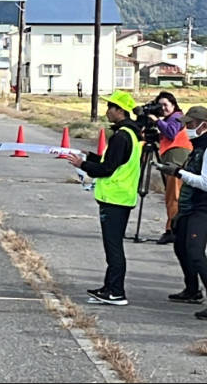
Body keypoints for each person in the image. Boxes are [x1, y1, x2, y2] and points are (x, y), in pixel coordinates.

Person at [66, 90, 141, 306]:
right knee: (112, 246)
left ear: (121, 110)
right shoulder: (130, 134)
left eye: (110, 107)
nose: (107, 111)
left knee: (113, 247)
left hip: (115, 198)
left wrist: (84, 166)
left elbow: (107, 169)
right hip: (120, 197)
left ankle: (116, 291)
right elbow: (114, 161)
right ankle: (110, 287)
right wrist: (90, 157)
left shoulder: (121, 136)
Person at [156, 106, 207, 320]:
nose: (186, 128)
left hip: (202, 208)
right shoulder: (199, 146)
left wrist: (178, 172)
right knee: (181, 247)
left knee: (196, 254)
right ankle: (192, 290)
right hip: (189, 207)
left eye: (189, 125)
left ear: (203, 125)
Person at [148, 92, 192, 245]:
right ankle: (175, 228)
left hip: (176, 162)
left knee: (173, 197)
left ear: (174, 105)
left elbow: (172, 132)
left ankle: (172, 230)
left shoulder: (178, 117)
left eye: (166, 105)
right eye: (160, 105)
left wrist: (156, 121)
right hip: (173, 160)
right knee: (172, 196)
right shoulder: (169, 119)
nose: (163, 108)